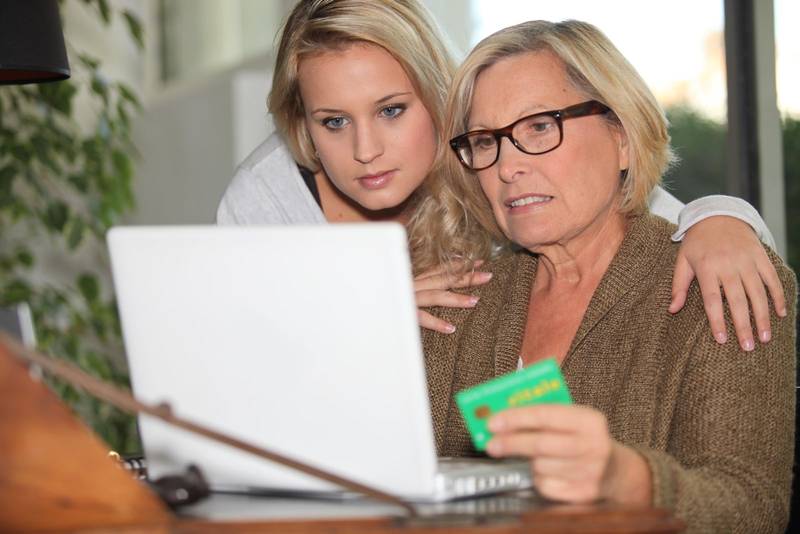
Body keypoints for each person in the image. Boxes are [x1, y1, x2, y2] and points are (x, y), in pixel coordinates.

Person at [216, 0, 785, 347]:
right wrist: (361, 313)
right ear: (302, 124)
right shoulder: (267, 198)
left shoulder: (493, 163)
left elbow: (638, 205)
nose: (366, 150)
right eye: (334, 121)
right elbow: (242, 361)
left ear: (438, 95)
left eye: (391, 111)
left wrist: (724, 219)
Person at [413, 19, 796, 532]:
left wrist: (628, 482)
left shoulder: (721, 283)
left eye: (539, 127)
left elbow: (751, 507)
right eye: (486, 141)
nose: (506, 167)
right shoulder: (453, 306)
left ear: (622, 137)